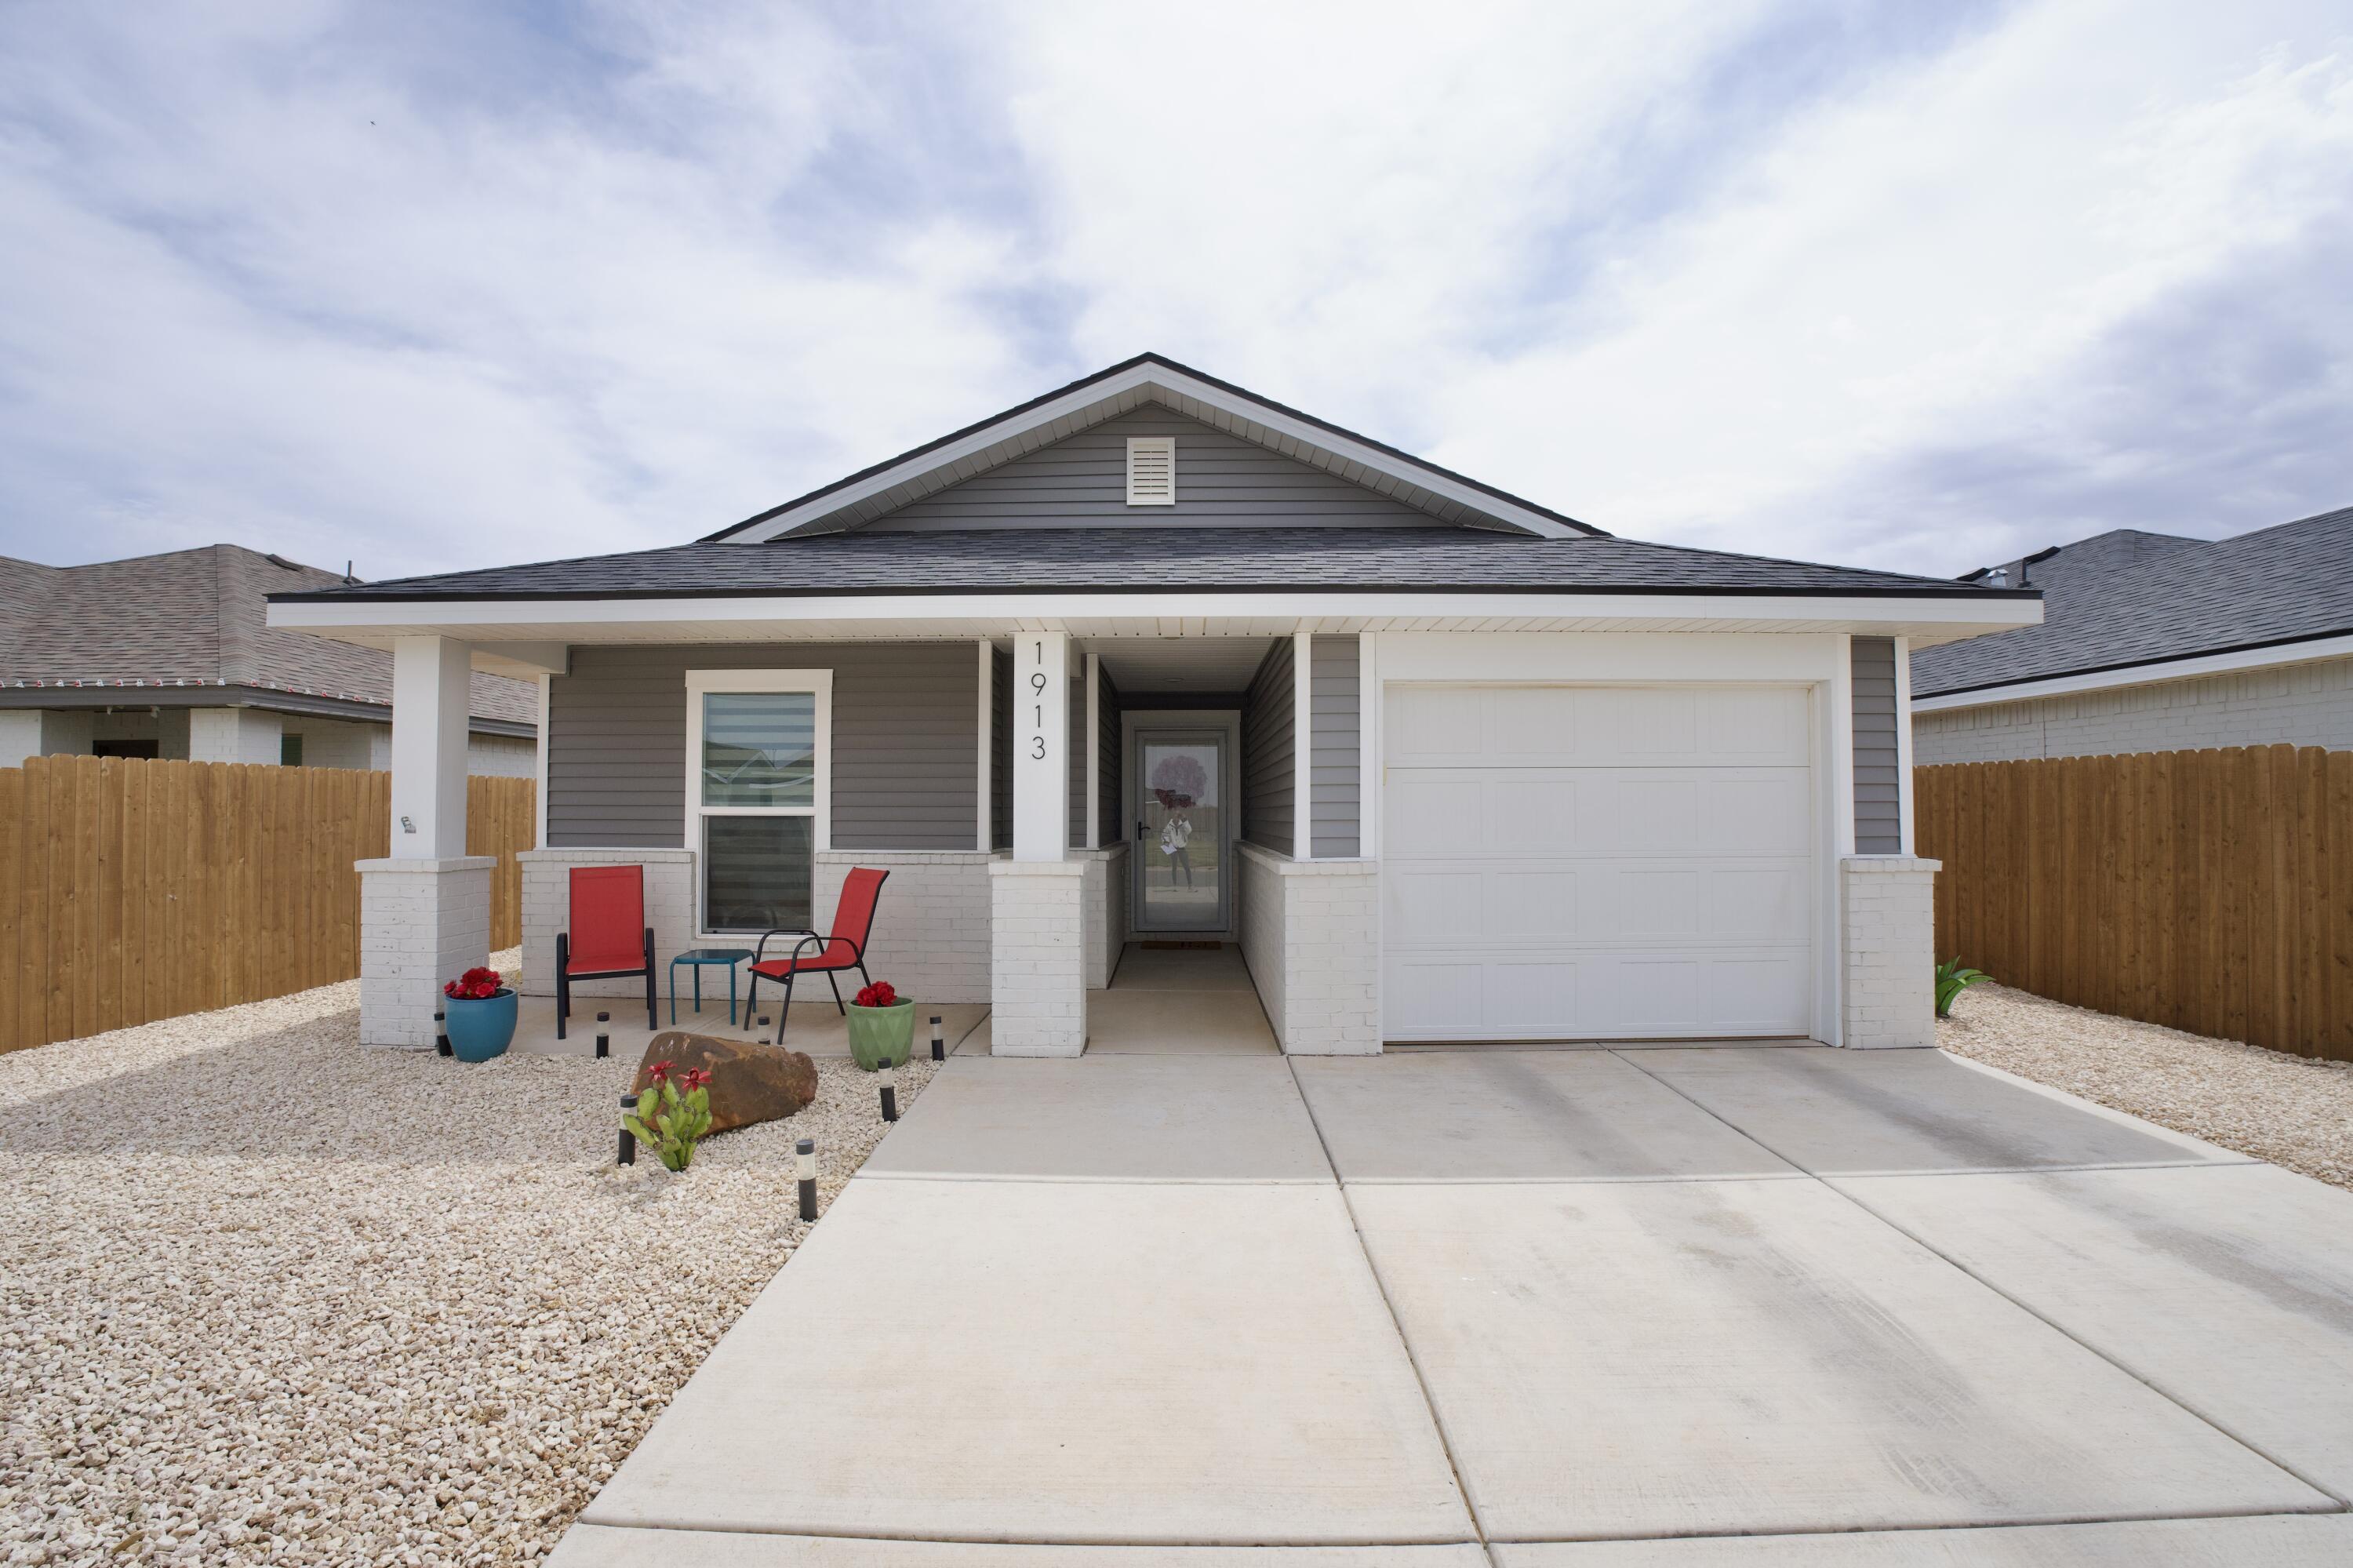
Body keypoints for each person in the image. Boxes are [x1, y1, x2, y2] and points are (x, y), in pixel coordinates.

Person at [1159, 806, 1195, 887]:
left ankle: (1190, 885)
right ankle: (1174, 885)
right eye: (1175, 815)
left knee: (1187, 867)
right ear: (1172, 816)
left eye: (1178, 815)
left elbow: (1189, 831)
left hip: (1182, 848)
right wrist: (1169, 848)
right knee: (1174, 867)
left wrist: (1184, 819)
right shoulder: (1169, 825)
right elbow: (1164, 837)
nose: (1176, 817)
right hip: (1173, 849)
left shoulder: (1183, 825)